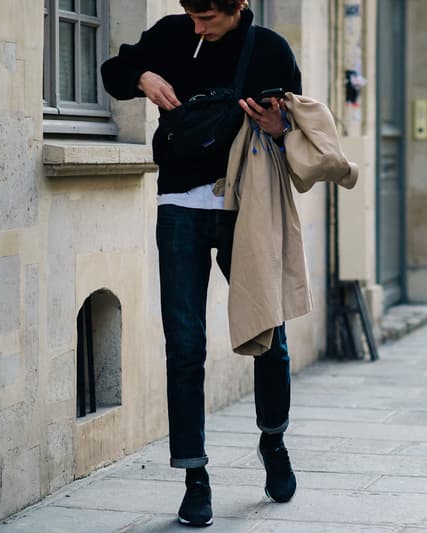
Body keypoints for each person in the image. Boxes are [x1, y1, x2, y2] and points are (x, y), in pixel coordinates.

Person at [101, 0, 301, 526]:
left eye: (207, 16)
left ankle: (273, 441)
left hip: (246, 209)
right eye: (191, 12)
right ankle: (195, 478)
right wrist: (142, 75)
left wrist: (280, 128)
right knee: (185, 344)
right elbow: (112, 73)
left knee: (269, 332)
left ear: (237, 6)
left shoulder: (270, 51)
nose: (197, 25)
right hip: (179, 209)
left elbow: (297, 130)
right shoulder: (171, 34)